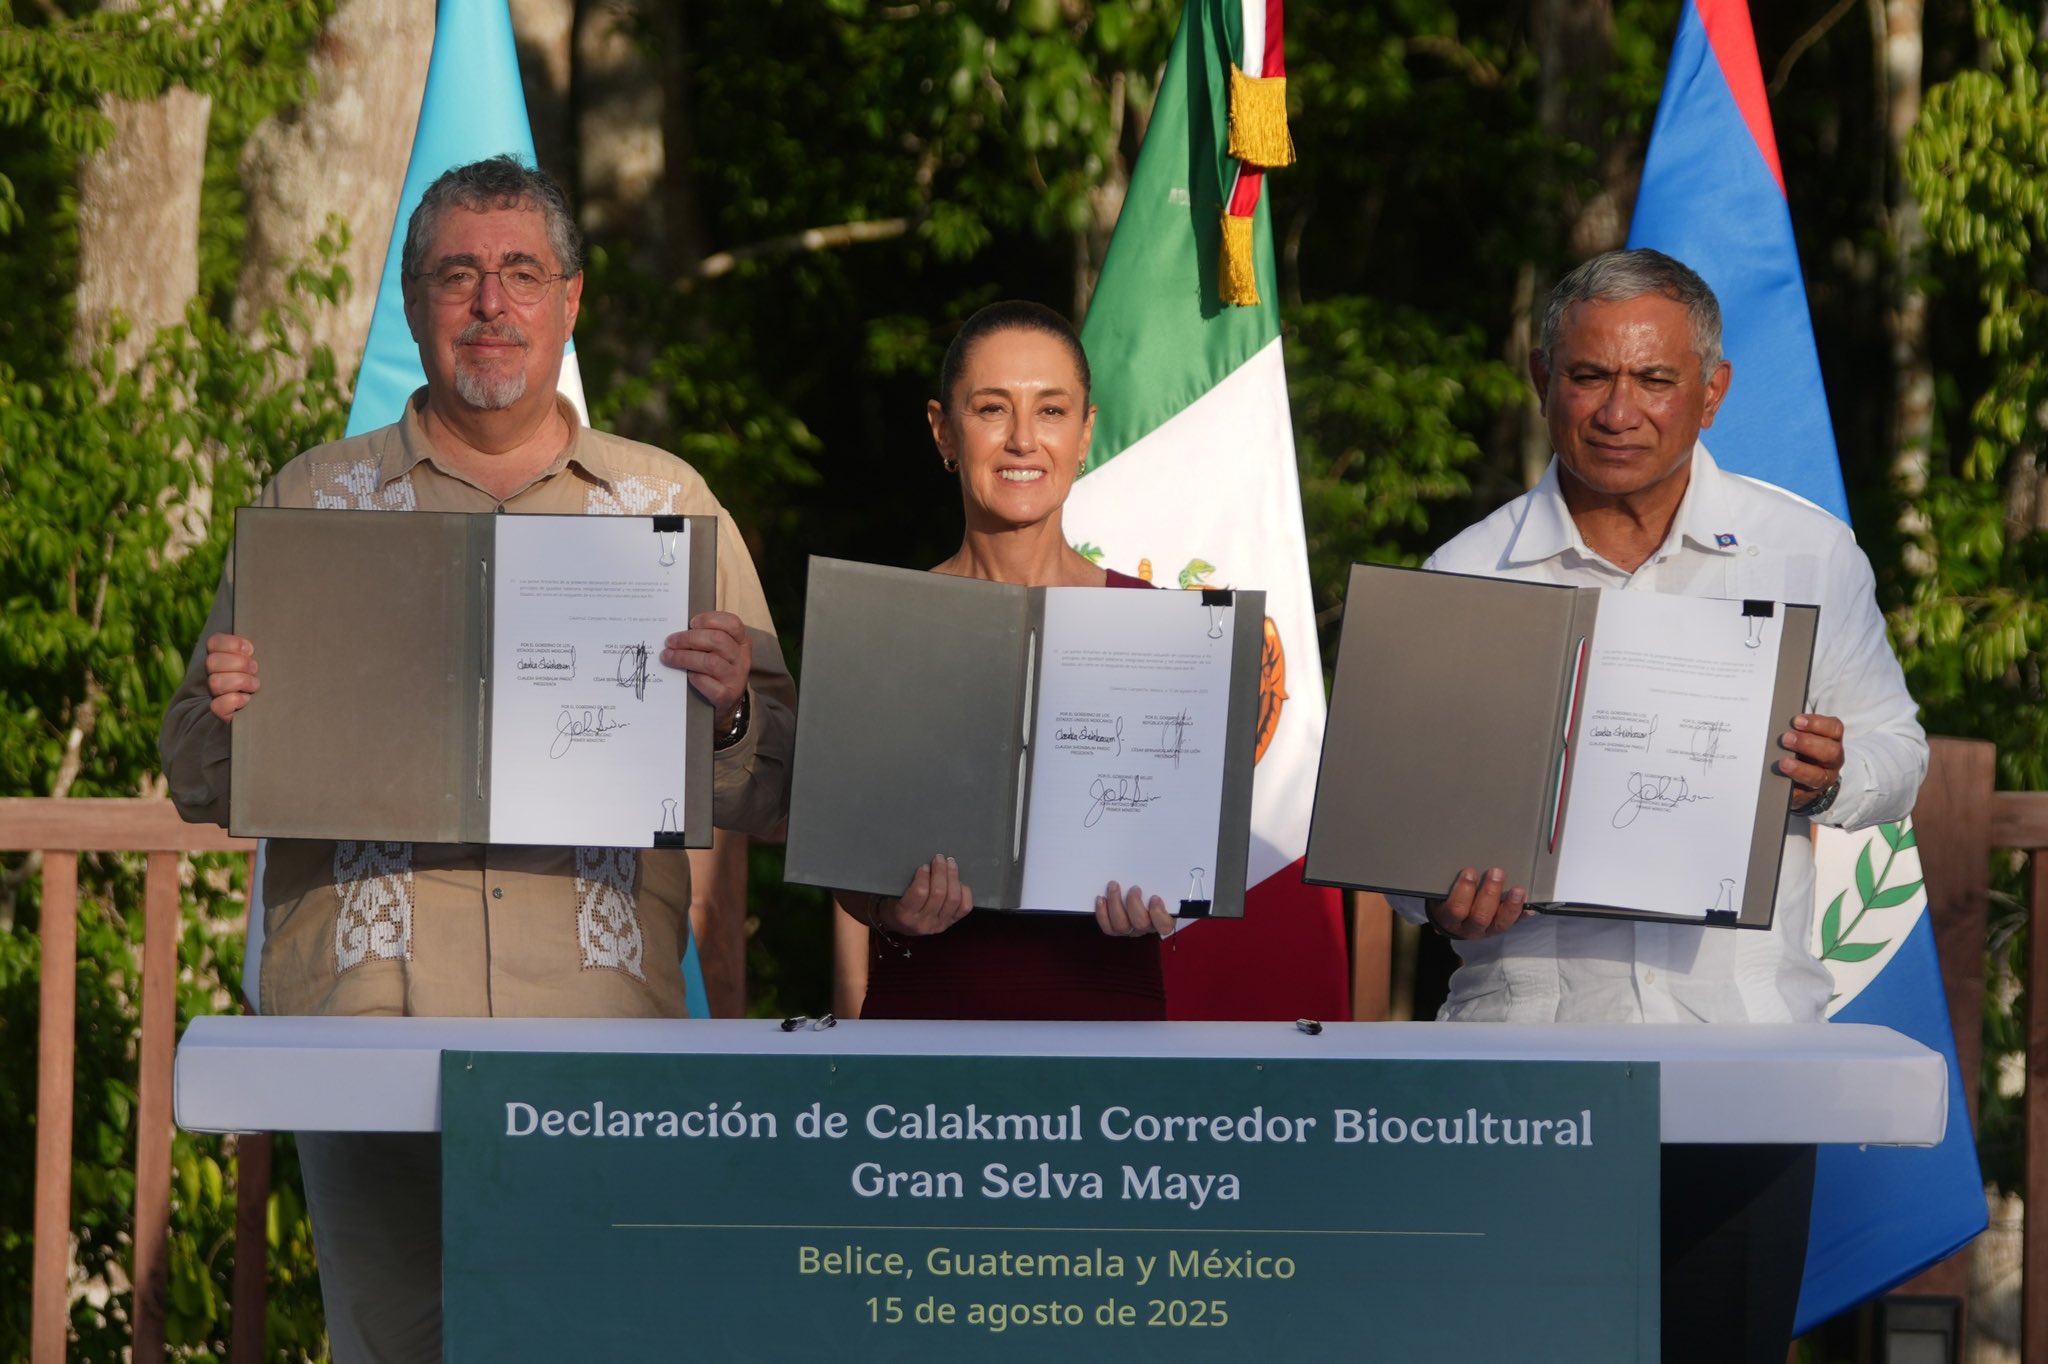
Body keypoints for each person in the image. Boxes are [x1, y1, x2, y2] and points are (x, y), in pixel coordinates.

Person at [158, 156, 795, 1363]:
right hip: (368, 1024)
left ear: (571, 299)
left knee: (593, 1341)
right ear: (413, 302)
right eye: (457, 274)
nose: (489, 302)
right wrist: (234, 714)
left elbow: (778, 779)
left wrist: (722, 717)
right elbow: (194, 769)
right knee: (396, 1345)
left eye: (520, 273)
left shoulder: (665, 506)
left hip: (595, 1030)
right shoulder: (315, 502)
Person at [1397, 248, 1927, 1363]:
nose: (1617, 410)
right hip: (1527, 1067)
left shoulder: (1806, 554)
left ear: (1712, 390)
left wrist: (1834, 772)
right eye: (1589, 375)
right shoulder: (1466, 573)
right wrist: (1438, 900)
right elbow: (1402, 840)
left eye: (1652, 379)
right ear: (1542, 377)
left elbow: (1900, 752)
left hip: (1742, 1063)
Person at [836, 300, 1175, 1021]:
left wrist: (1163, 895)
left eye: (1051, 411)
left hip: (1110, 1022)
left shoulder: (1161, 628)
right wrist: (891, 911)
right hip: (928, 1023)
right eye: (993, 409)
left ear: (1086, 432)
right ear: (943, 430)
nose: (1024, 439)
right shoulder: (882, 627)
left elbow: (1184, 848)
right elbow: (845, 865)